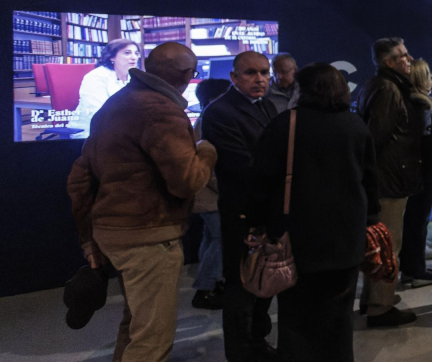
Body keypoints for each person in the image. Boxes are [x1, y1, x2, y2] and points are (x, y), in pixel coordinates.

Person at [66, 42, 217, 362]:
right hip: (149, 235)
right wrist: (206, 150)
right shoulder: (161, 110)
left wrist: (88, 237)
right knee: (152, 338)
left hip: (114, 232)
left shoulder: (116, 104)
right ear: (189, 75)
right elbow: (188, 181)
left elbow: (79, 179)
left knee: (136, 324)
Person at [251, 63, 380, 362]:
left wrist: (259, 223)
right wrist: (370, 222)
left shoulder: (285, 124)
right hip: (346, 238)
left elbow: (262, 180)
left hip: (297, 236)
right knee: (339, 317)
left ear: (303, 88)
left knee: (296, 318)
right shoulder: (355, 126)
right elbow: (370, 182)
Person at [201, 51, 278, 362]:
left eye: (264, 72)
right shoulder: (220, 111)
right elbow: (240, 165)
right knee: (241, 287)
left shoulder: (267, 106)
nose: (259, 79)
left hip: (267, 209)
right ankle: (241, 352)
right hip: (242, 211)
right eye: (250, 73)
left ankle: (258, 343)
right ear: (234, 77)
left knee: (264, 283)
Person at [356, 37, 429, 327]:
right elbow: (376, 138)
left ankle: (371, 299)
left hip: (386, 179)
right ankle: (381, 307)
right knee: (388, 245)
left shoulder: (383, 85)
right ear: (389, 62)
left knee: (377, 243)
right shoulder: (388, 89)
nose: (409, 59)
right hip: (389, 181)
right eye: (402, 55)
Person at [398, 59, 432, 288]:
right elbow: (427, 141)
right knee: (418, 220)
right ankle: (415, 270)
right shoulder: (423, 105)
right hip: (423, 170)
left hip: (412, 168)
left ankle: (411, 267)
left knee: (413, 220)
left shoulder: (406, 101)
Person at [191, 78, 231, 310]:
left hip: (205, 193)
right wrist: (222, 186)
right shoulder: (212, 118)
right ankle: (205, 288)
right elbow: (209, 159)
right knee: (220, 238)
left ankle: (212, 283)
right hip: (212, 192)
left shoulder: (206, 117)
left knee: (211, 237)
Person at [70, 38, 140, 138]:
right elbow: (99, 114)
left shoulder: (135, 77)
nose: (134, 57)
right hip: (93, 131)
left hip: (125, 127)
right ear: (112, 57)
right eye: (127, 53)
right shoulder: (96, 77)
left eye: (136, 53)